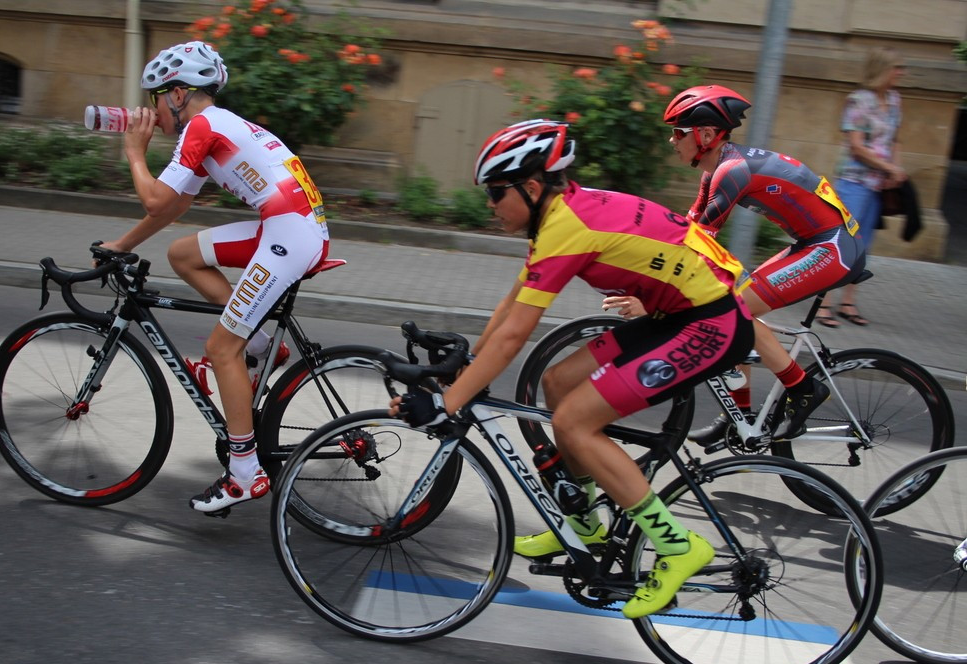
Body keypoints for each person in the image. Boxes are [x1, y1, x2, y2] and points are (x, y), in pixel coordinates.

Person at [388, 119, 755, 618]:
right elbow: (514, 300)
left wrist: (446, 404)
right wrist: (469, 365)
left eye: (497, 193)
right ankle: (584, 525)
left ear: (532, 187)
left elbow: (518, 334)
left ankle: (677, 546)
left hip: (709, 324)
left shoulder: (567, 227)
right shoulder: (559, 214)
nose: (490, 205)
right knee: (557, 382)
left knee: (573, 422)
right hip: (679, 314)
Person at [99, 41, 329, 515]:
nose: (152, 110)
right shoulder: (213, 126)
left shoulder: (202, 126)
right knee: (183, 253)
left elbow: (156, 200)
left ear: (179, 94)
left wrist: (133, 152)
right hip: (289, 225)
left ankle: (245, 473)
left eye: (156, 98)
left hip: (288, 232)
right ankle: (265, 346)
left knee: (222, 349)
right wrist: (123, 245)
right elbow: (176, 205)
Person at [646, 84, 867, 447]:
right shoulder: (715, 170)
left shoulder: (732, 171)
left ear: (704, 135)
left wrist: (655, 283)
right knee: (731, 301)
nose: (672, 140)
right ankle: (739, 417)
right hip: (814, 243)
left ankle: (804, 389)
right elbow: (687, 231)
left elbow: (701, 244)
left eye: (677, 132)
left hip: (833, 247)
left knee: (734, 309)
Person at [827, 48, 908, 326]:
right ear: (882, 69)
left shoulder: (895, 100)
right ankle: (824, 303)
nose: (900, 72)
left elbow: (895, 139)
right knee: (842, 243)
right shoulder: (859, 100)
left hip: (877, 186)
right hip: (854, 182)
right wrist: (889, 168)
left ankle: (848, 302)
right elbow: (857, 146)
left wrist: (895, 169)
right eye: (896, 67)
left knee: (864, 246)